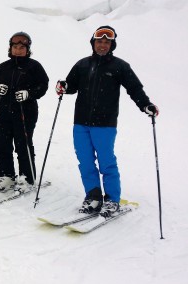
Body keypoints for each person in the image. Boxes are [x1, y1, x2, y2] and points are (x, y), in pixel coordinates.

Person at [56, 25, 158, 217]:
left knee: (106, 162)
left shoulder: (120, 66)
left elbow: (134, 88)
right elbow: (71, 86)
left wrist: (146, 105)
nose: (102, 45)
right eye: (99, 41)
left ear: (112, 45)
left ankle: (112, 199)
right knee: (85, 161)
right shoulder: (82, 65)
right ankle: (93, 196)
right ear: (93, 43)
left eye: (107, 42)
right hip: (81, 122)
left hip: (105, 124)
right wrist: (64, 86)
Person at [0, 32, 49, 191]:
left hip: (25, 112)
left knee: (23, 145)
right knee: (2, 145)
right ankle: (6, 175)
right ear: (10, 48)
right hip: (2, 112)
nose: (18, 50)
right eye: (15, 47)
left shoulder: (34, 66)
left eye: (22, 47)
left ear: (27, 49)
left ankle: (26, 177)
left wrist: (29, 94)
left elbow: (43, 85)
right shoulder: (3, 66)